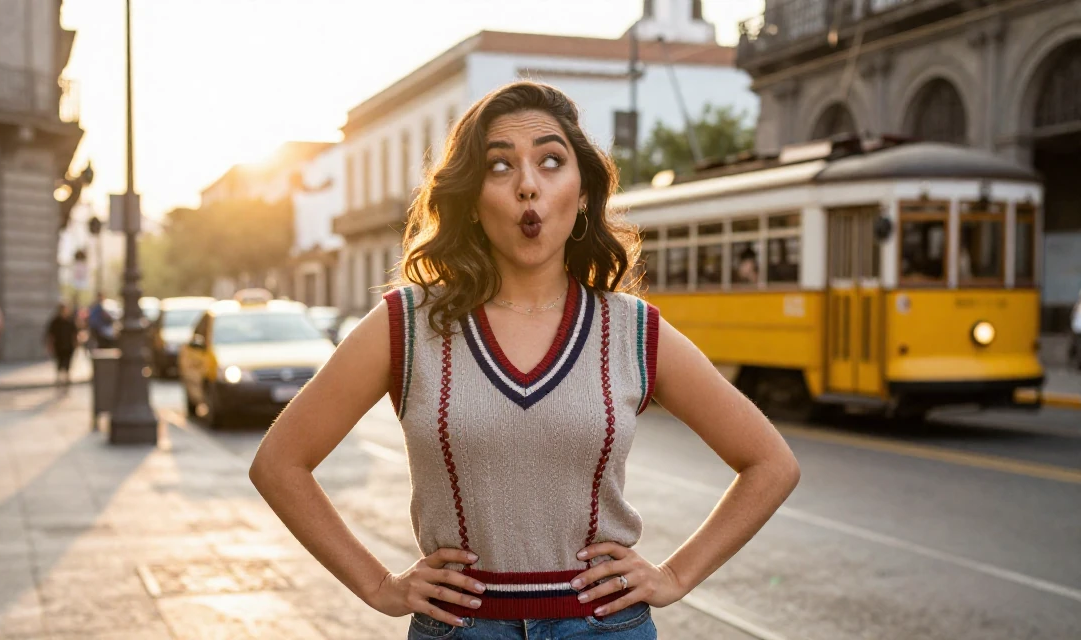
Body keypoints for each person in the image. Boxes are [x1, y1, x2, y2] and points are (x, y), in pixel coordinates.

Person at [248, 82, 800, 639]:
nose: (528, 186)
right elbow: (279, 464)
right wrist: (378, 586)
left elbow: (771, 464)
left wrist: (676, 575)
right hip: (462, 630)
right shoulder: (408, 322)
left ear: (582, 190)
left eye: (551, 161)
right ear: (470, 197)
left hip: (604, 629)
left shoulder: (631, 328)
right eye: (500, 166)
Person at [45, 303, 79, 387]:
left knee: (68, 362)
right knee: (59, 361)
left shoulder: (70, 321)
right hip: (59, 345)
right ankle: (59, 378)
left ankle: (67, 377)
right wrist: (50, 345)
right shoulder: (55, 321)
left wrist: (76, 343)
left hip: (69, 345)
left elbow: (75, 333)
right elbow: (50, 334)